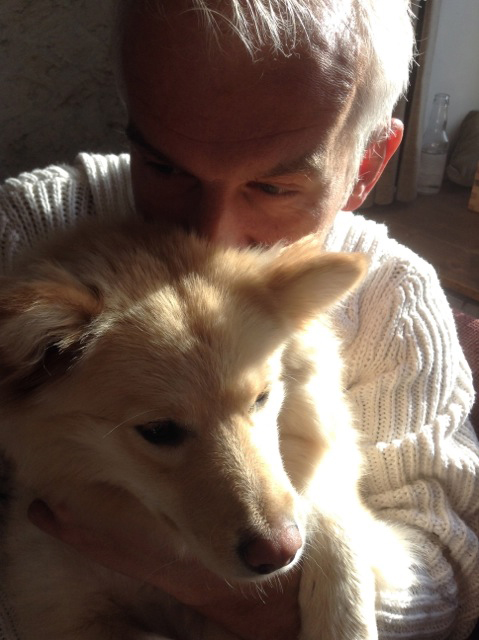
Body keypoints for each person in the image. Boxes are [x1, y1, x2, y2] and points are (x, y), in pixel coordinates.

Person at [0, 1, 478, 639]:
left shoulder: (393, 296)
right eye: (167, 167)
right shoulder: (19, 233)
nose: (211, 234)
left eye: (275, 187)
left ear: (366, 164)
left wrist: (300, 588)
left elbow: (452, 566)